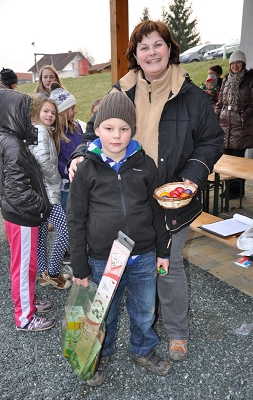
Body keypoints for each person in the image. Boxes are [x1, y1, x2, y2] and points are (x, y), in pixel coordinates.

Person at [68, 20, 224, 363]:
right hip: (124, 198)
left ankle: (177, 333)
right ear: (135, 55)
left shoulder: (192, 95)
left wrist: (192, 177)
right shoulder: (120, 91)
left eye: (158, 44)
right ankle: (105, 344)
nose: (151, 52)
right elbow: (92, 132)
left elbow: (213, 140)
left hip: (172, 201)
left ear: (170, 48)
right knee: (115, 275)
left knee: (167, 268)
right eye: (144, 46)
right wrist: (80, 156)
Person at [66, 91, 172, 386]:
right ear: (97, 129)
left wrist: (163, 251)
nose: (117, 136)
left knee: (144, 310)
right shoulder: (86, 168)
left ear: (132, 130)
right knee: (104, 314)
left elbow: (157, 210)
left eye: (124, 129)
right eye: (109, 128)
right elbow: (75, 218)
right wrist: (80, 266)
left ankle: (144, 349)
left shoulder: (145, 164)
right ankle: (103, 352)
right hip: (103, 259)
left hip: (143, 255)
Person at [0, 89, 55, 331]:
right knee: (23, 268)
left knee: (27, 264)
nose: (29, 119)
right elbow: (16, 190)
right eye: (25, 114)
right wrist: (40, 206)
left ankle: (29, 302)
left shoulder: (9, 139)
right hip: (22, 216)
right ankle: (25, 317)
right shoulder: (11, 143)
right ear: (12, 114)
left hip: (19, 215)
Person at [29, 94, 71, 289]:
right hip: (48, 192)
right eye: (46, 111)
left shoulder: (41, 130)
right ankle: (53, 273)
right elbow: (43, 159)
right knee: (66, 230)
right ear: (36, 111)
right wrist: (56, 179)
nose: (50, 115)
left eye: (53, 113)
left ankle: (44, 273)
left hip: (41, 191)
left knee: (42, 232)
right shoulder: (39, 130)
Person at [215, 50, 253, 199]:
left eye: (238, 63)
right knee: (227, 160)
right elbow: (221, 101)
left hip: (240, 126)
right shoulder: (226, 79)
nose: (235, 66)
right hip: (225, 124)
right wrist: (215, 117)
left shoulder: (250, 79)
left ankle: (236, 191)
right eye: (233, 63)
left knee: (238, 161)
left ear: (243, 64)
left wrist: (243, 116)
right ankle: (229, 189)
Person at [50, 83, 83, 265]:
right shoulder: (55, 134)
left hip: (79, 179)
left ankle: (77, 245)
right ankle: (65, 251)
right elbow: (56, 159)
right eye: (72, 108)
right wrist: (67, 169)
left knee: (79, 213)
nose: (76, 111)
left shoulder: (77, 127)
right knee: (68, 215)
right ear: (62, 111)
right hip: (65, 184)